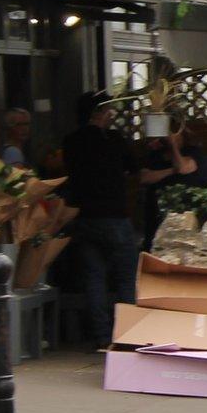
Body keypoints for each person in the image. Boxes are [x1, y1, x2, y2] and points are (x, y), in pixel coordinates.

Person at [60, 92, 143, 350]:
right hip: (115, 216)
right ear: (100, 113)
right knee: (125, 278)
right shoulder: (115, 140)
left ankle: (101, 336)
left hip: (84, 217)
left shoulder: (71, 142)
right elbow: (135, 170)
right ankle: (127, 335)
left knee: (94, 278)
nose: (112, 116)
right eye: (109, 111)